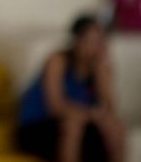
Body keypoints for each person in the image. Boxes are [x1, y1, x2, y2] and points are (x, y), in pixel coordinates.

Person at [17, 15, 126, 162]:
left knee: (114, 125)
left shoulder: (98, 68)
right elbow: (55, 106)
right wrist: (90, 114)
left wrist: (103, 76)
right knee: (74, 122)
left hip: (81, 124)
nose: (96, 47)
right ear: (77, 41)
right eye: (91, 40)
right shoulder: (58, 61)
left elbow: (109, 108)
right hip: (38, 126)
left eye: (101, 41)